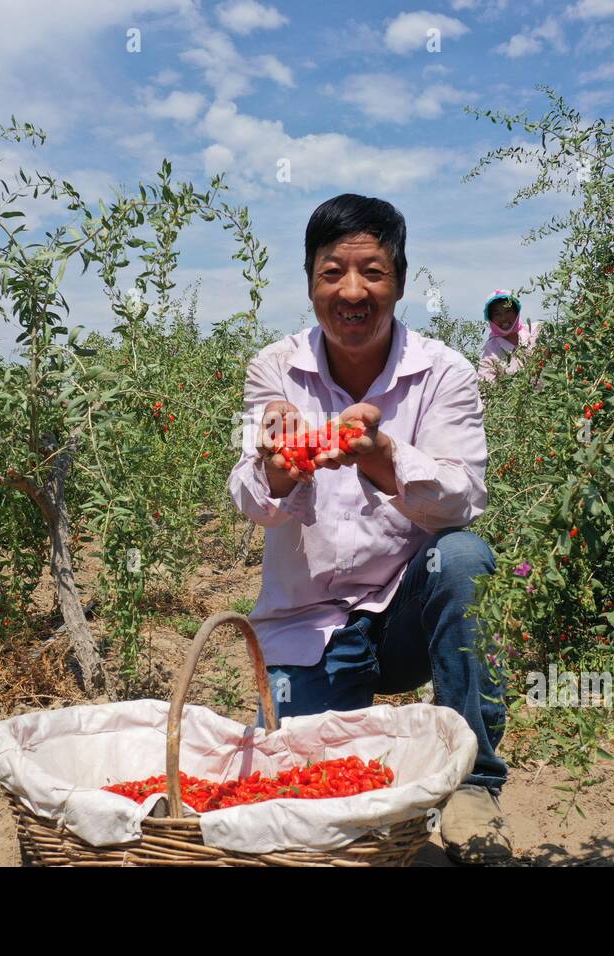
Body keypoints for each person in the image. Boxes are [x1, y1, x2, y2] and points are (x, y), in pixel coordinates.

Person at [226, 193, 511, 864]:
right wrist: (278, 469)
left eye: (372, 272)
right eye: (332, 272)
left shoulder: (445, 374)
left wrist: (382, 456)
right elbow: (246, 494)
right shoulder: (273, 371)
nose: (352, 291)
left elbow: (465, 498)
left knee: (463, 558)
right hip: (311, 619)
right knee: (314, 809)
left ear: (401, 283)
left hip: (407, 614)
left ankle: (473, 785)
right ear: (310, 283)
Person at [477, 289, 535, 381]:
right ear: (491, 319)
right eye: (497, 314)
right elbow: (485, 389)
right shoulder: (490, 352)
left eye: (508, 311)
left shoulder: (535, 333)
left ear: (516, 312)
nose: (503, 318)